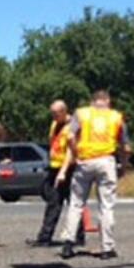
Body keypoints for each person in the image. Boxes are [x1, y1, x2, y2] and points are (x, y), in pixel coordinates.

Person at [56, 90, 128, 260]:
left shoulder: (82, 114)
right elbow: (126, 146)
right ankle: (107, 247)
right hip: (106, 161)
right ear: (107, 101)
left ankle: (68, 243)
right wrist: (123, 165)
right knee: (106, 206)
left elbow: (70, 136)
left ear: (93, 101)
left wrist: (76, 153)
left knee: (76, 203)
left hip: (85, 161)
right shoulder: (116, 117)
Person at [27, 100, 78, 247]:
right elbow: (52, 143)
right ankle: (44, 237)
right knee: (53, 202)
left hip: (68, 168)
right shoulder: (54, 124)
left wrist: (63, 171)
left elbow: (70, 151)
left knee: (73, 204)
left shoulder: (72, 126)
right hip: (55, 167)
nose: (53, 116)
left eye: (56, 114)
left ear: (64, 111)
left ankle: (77, 236)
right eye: (52, 113)